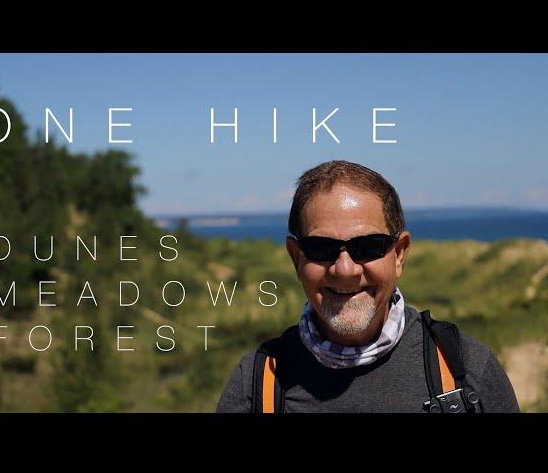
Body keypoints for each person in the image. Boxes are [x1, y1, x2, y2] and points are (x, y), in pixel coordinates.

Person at [216, 160, 520, 413]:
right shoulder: (258, 384)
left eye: (368, 246)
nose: (345, 269)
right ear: (296, 258)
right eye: (321, 248)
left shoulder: (464, 372)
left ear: (399, 253)